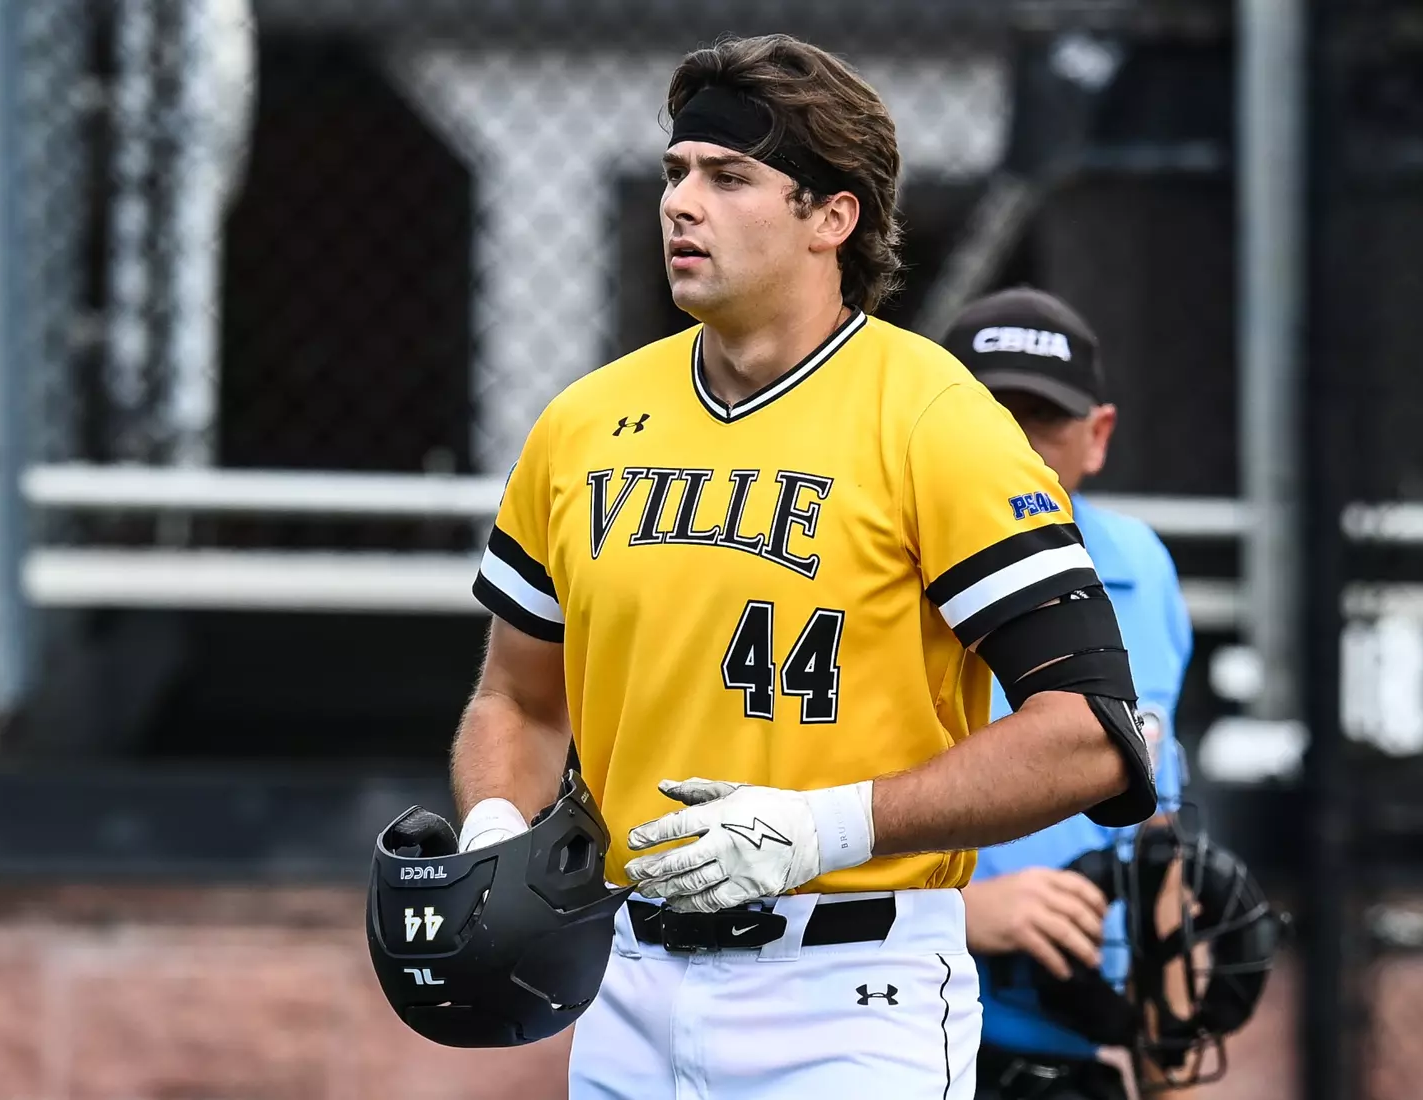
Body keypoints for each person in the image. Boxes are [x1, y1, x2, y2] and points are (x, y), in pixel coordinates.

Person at [452, 35, 1157, 1100]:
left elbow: (1092, 730)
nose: (683, 202)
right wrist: (493, 828)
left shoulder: (932, 416)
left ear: (834, 217)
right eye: (675, 172)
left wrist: (821, 824)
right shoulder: (583, 424)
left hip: (849, 988)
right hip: (625, 983)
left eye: (729, 177)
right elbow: (516, 694)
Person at [939, 287, 1194, 1100]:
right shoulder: (866, 574)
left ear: (1098, 436)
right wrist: (964, 912)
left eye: (1042, 418)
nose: (1014, 445)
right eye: (987, 414)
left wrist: (1171, 1068)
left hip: (1081, 1044)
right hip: (905, 1032)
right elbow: (795, 819)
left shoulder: (1140, 567)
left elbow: (1160, 834)